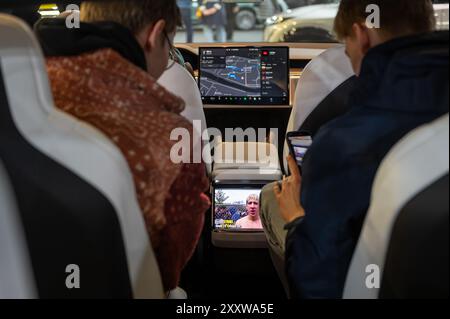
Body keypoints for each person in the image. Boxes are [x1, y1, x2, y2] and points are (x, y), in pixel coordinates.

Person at [261, 0, 449, 298]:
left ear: (362, 35)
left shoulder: (341, 144)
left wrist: (298, 219)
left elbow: (318, 283)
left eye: (347, 51)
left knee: (272, 195)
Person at [34, 0, 211, 293]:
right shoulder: (171, 135)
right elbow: (169, 267)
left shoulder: (22, 88)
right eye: (170, 45)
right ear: (155, 36)